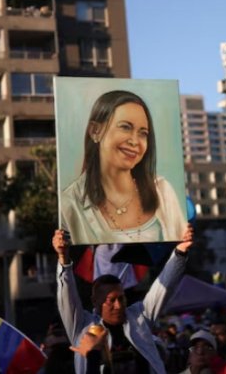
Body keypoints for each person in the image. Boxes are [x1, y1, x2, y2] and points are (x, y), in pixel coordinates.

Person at [54, 225, 193, 373]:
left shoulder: (139, 317)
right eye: (111, 300)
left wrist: (180, 251)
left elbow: (165, 285)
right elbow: (67, 296)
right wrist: (63, 258)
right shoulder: (82, 326)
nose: (119, 305)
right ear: (95, 301)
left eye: (122, 298)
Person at [60, 90, 187, 244]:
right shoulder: (68, 205)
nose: (134, 141)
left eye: (143, 133)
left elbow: (183, 251)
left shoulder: (163, 192)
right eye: (125, 127)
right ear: (95, 131)